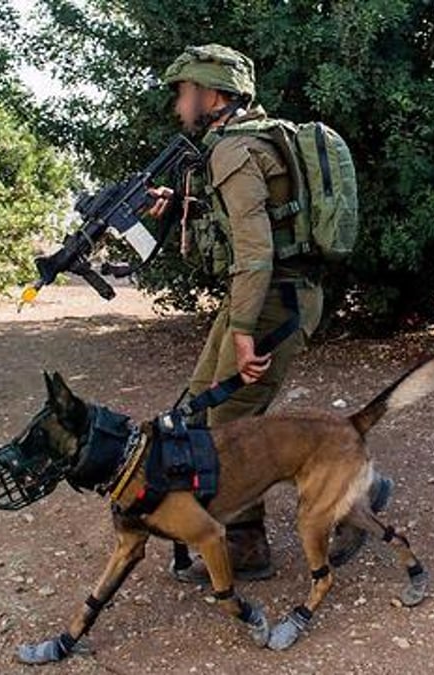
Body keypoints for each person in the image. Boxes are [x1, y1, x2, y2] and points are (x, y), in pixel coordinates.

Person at [152, 44, 389, 582]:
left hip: (272, 298)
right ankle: (341, 498)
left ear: (211, 93)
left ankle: (252, 543)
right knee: (201, 403)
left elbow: (256, 251)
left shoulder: (233, 152)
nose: (177, 105)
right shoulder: (253, 139)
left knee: (230, 419)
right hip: (266, 292)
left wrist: (241, 332)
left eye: (182, 92)